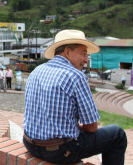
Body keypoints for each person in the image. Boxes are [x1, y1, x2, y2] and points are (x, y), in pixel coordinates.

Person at [23, 29, 127, 164]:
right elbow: (91, 127)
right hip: (59, 151)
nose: (85, 60)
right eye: (83, 54)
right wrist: (80, 127)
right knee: (117, 135)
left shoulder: (37, 70)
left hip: (30, 144)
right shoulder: (75, 76)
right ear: (67, 51)